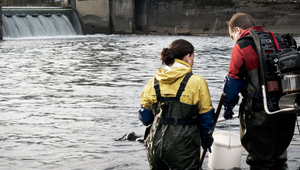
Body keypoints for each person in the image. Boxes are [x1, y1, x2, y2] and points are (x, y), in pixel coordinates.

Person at [223, 13, 296, 170]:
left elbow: (233, 83)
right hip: (287, 110)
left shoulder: (242, 46)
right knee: (279, 158)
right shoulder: (281, 41)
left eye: (232, 36)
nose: (233, 40)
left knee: (260, 161)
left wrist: (228, 107)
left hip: (260, 115)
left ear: (237, 30)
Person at [138, 39, 216, 170]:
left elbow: (145, 119)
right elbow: (206, 118)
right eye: (193, 57)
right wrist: (206, 140)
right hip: (184, 149)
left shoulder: (153, 81)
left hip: (155, 147)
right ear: (187, 57)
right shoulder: (197, 81)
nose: (193, 61)